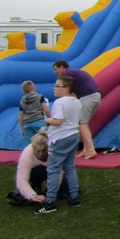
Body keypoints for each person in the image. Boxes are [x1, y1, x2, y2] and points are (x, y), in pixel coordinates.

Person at [36, 75, 81, 214]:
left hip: (60, 138)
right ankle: (74, 197)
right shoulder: (76, 102)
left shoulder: (59, 102)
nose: (54, 88)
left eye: (57, 85)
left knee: (53, 169)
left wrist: (48, 119)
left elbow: (59, 121)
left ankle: (50, 203)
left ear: (66, 88)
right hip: (73, 135)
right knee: (70, 167)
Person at [52, 59, 101, 159]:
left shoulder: (68, 75)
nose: (55, 72)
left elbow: (67, 91)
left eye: (56, 69)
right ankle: (86, 149)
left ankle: (91, 150)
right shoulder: (73, 73)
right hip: (93, 96)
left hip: (88, 96)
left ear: (62, 67)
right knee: (83, 123)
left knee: (82, 123)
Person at [9, 130, 69, 206]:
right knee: (23, 196)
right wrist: (33, 196)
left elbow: (58, 174)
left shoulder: (53, 152)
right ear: (33, 147)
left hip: (51, 171)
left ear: (48, 147)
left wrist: (51, 193)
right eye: (37, 151)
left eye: (43, 151)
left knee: (67, 191)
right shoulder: (26, 155)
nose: (40, 154)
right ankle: (35, 187)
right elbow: (21, 180)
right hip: (34, 173)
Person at [18, 80, 50, 145]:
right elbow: (46, 110)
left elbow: (20, 116)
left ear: (23, 91)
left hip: (27, 124)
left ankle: (32, 155)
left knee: (31, 145)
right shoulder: (40, 97)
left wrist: (22, 128)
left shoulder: (22, 101)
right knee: (43, 142)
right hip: (39, 121)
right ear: (34, 88)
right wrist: (49, 119)